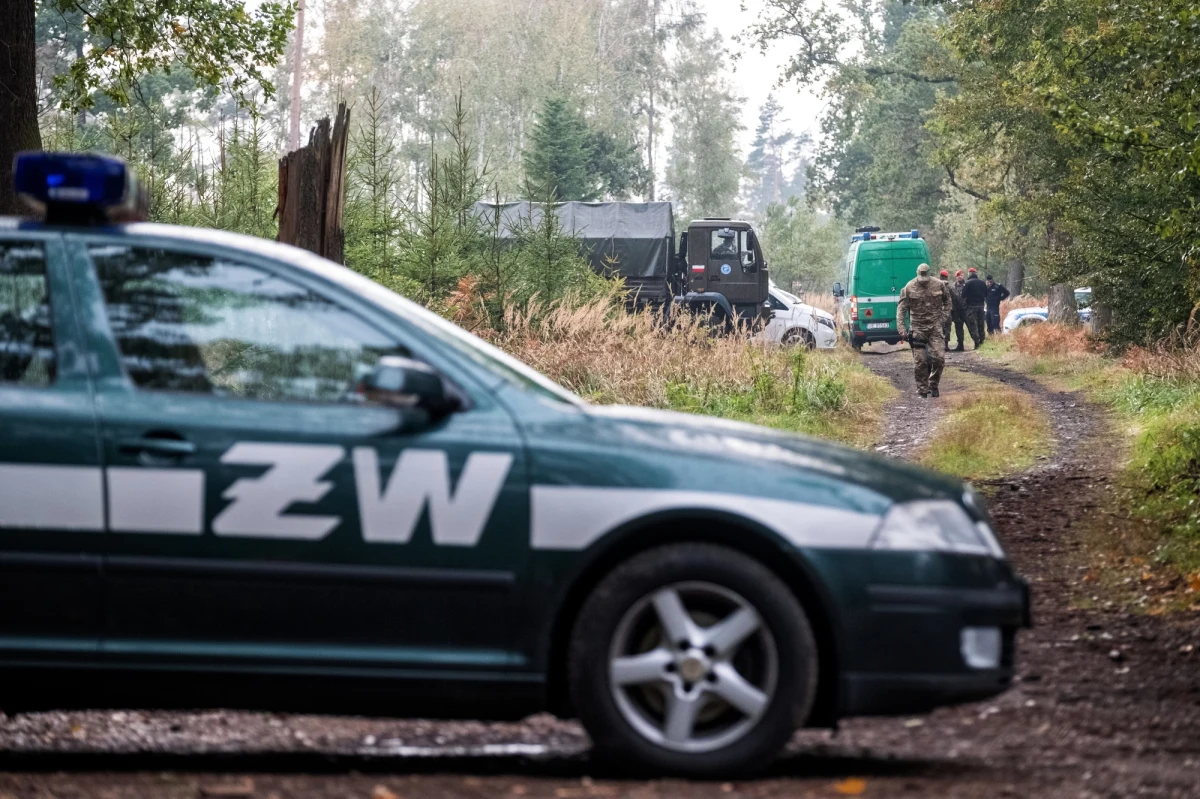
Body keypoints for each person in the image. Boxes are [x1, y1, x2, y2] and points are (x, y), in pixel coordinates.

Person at [896, 263, 952, 398]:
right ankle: (922, 388)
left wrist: (942, 319)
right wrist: (901, 328)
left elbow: (948, 303)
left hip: (935, 328)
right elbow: (901, 308)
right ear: (917, 273)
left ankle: (933, 383)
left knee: (939, 358)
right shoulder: (909, 287)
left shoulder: (939, 285)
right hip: (918, 328)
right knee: (920, 361)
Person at [960, 267, 988, 347]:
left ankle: (976, 342)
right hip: (981, 306)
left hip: (971, 306)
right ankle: (982, 340)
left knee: (973, 324)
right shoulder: (982, 283)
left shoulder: (968, 283)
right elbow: (986, 294)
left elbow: (963, 295)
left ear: (969, 274)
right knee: (981, 323)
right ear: (976, 274)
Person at [949, 270, 968, 351]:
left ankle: (977, 343)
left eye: (961, 275)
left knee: (971, 326)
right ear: (956, 277)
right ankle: (960, 344)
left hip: (966, 309)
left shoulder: (967, 285)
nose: (959, 277)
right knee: (958, 328)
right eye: (958, 275)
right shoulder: (953, 286)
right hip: (957, 310)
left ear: (963, 276)